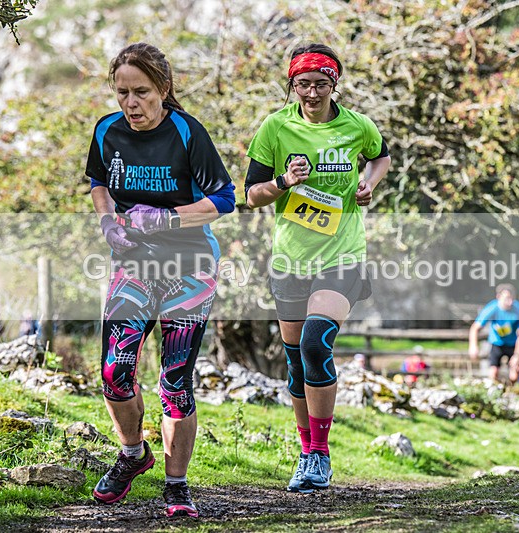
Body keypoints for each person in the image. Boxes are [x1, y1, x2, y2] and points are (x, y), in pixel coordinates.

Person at [86, 43, 235, 517]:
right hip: (134, 265)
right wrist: (108, 220)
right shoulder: (107, 130)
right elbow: (99, 182)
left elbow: (226, 199)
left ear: (163, 90)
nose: (131, 103)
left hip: (190, 269)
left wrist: (166, 220)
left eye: (142, 92)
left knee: (174, 379)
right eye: (122, 92)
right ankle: (133, 454)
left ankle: (176, 486)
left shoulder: (188, 133)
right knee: (114, 372)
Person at [244, 43, 391, 493]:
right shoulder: (275, 127)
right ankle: (306, 451)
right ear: (292, 85)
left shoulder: (355, 126)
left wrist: (369, 182)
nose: (312, 92)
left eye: (321, 83)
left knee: (313, 343)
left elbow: (382, 155)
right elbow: (251, 194)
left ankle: (320, 455)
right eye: (303, 84)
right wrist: (285, 181)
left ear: (334, 85)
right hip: (291, 258)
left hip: (342, 255)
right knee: (294, 363)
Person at [468, 284, 519, 383]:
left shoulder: (517, 309)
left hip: (512, 343)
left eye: (512, 299)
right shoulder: (492, 308)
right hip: (497, 343)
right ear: (498, 297)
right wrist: (473, 346)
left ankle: (511, 391)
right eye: (507, 298)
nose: (510, 302)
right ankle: (495, 391)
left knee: (514, 374)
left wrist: (517, 355)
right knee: (493, 372)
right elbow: (475, 328)